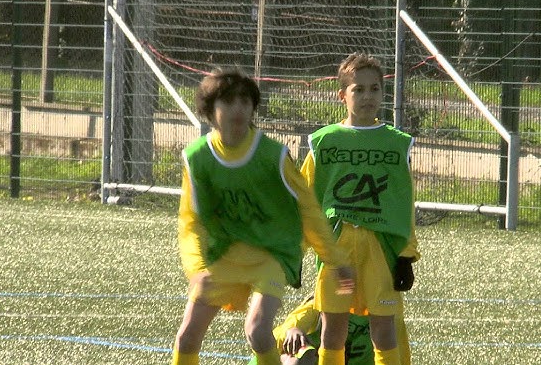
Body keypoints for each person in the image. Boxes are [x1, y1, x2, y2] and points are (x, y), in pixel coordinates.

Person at [171, 68, 354, 365]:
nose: (239, 109)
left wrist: (335, 260)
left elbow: (308, 210)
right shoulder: (198, 159)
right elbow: (190, 222)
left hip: (269, 256)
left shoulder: (273, 156)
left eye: (246, 102)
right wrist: (197, 269)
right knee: (186, 337)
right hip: (223, 257)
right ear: (209, 109)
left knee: (257, 330)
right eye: (229, 101)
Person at [300, 53, 420, 365]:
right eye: (358, 90)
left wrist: (407, 253)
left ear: (383, 92)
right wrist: (294, 249)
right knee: (332, 331)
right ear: (342, 95)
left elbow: (404, 200)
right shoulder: (324, 142)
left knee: (383, 330)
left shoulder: (396, 143)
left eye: (374, 89)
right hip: (337, 249)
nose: (367, 97)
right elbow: (305, 198)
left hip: (379, 249)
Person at [246, 295, 412, 365]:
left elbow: (401, 359)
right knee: (301, 359)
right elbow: (280, 335)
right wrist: (292, 331)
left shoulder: (388, 315)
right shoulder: (321, 304)